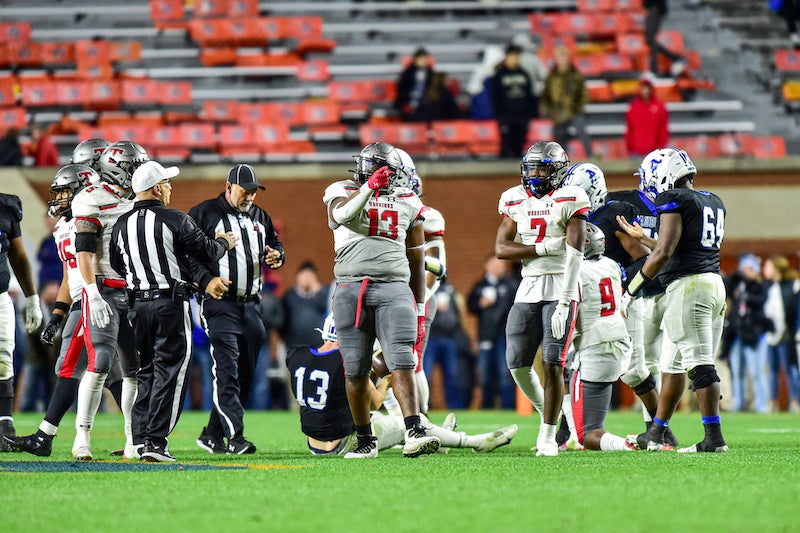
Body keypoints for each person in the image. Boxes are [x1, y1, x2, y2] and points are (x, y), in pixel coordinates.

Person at [110, 161, 238, 462]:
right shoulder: (175, 219)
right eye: (167, 183)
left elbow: (118, 264)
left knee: (146, 373)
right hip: (169, 303)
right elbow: (206, 250)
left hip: (137, 306)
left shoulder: (121, 224)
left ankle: (140, 440)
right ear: (156, 188)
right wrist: (224, 242)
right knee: (173, 370)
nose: (170, 188)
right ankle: (156, 443)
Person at [322, 141, 440, 458]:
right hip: (350, 287)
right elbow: (339, 216)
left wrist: (418, 308)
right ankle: (365, 439)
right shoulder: (340, 190)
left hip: (394, 287)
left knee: (402, 360)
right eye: (374, 168)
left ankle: (414, 429)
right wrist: (367, 190)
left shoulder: (407, 199)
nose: (378, 174)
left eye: (384, 170)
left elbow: (416, 256)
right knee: (355, 369)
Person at [4, 164, 124, 458]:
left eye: (65, 191)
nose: (58, 198)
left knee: (107, 371)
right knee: (82, 369)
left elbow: (92, 267)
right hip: (81, 303)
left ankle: (144, 435)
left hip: (99, 300)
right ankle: (45, 436)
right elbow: (70, 274)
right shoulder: (62, 228)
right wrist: (57, 314)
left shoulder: (94, 218)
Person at [618, 147, 729, 453]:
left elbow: (664, 253)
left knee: (699, 362)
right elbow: (678, 249)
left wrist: (632, 289)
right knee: (673, 363)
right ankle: (657, 431)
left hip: (689, 288)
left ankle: (713, 439)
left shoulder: (673, 198)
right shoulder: (711, 199)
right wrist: (644, 238)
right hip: (712, 284)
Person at [286, 315, 518, 456]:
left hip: (313, 443)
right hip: (345, 442)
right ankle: (474, 442)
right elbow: (376, 402)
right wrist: (386, 381)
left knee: (366, 416)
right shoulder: (348, 359)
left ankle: (442, 440)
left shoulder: (297, 355)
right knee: (414, 423)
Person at [562, 161, 677, 446]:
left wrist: (622, 284)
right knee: (564, 362)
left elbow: (641, 258)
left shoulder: (613, 213)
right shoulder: (573, 218)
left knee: (635, 370)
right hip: (584, 298)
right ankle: (563, 433)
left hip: (619, 301)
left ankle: (659, 430)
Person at [495, 140, 589, 456]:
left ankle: (547, 437)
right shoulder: (514, 198)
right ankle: (551, 414)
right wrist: (541, 248)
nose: (534, 174)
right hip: (529, 285)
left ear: (557, 171)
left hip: (562, 285)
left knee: (552, 362)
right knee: (517, 363)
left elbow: (576, 252)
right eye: (531, 167)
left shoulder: (571, 196)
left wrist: (565, 300)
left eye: (542, 168)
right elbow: (501, 248)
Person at [187, 163, 285, 454]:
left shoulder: (260, 216)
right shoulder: (204, 213)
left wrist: (278, 255)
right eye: (245, 191)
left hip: (253, 305)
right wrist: (206, 280)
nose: (250, 197)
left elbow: (276, 244)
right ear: (228, 187)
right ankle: (236, 437)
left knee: (245, 373)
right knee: (227, 370)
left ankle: (212, 434)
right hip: (220, 305)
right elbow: (187, 256)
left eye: (254, 192)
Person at [70, 140, 148, 460]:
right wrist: (91, 293)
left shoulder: (134, 201)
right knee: (100, 361)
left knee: (134, 368)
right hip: (102, 288)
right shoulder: (91, 199)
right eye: (134, 166)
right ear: (118, 169)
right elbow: (84, 252)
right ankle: (82, 437)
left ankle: (132, 439)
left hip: (131, 290)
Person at [569, 223, 638, 451]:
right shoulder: (611, 265)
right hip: (618, 339)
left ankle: (627, 444)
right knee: (591, 422)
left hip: (593, 344)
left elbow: (570, 309)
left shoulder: (575, 270)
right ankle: (561, 436)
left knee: (586, 435)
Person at [396, 147, 448, 413]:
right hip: (389, 294)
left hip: (417, 296)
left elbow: (437, 266)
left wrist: (417, 300)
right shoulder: (382, 210)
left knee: (411, 361)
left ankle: (422, 417)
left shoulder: (427, 215)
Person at [0, 192, 43, 450]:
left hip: (0, 295)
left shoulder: (6, 207)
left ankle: (5, 426)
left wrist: (32, 298)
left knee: (4, 360)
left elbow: (18, 256)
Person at [467, 255, 519, 409]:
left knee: (505, 373)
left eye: (501, 265)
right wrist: (480, 304)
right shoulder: (479, 286)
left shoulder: (511, 285)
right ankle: (486, 406)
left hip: (505, 336)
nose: (498, 268)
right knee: (484, 374)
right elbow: (470, 307)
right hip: (486, 336)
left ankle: (508, 407)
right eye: (495, 265)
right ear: (487, 266)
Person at [725, 254, 770, 414]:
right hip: (738, 333)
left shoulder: (761, 285)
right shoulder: (737, 284)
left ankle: (762, 404)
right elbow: (727, 289)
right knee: (737, 371)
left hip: (755, 334)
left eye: (749, 268)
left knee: (756, 371)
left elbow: (761, 301)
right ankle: (738, 402)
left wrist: (747, 296)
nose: (746, 271)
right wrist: (736, 277)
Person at [762, 254, 800, 412]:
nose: (765, 270)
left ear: (776, 268)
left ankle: (795, 401)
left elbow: (792, 310)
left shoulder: (792, 285)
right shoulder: (768, 287)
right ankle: (772, 402)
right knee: (772, 371)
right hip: (771, 336)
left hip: (787, 335)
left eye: (768, 266)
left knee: (790, 369)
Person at [541, 45, 592, 159]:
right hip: (558, 112)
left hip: (574, 109)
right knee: (559, 136)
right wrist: (549, 109)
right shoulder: (551, 77)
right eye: (560, 57)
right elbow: (546, 95)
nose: (562, 60)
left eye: (564, 57)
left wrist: (578, 106)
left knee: (582, 132)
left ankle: (591, 156)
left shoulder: (575, 76)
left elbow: (583, 93)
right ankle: (561, 160)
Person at [490, 44, 538, 159]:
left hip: (521, 114)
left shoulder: (524, 73)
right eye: (512, 56)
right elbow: (495, 95)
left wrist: (530, 111)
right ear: (507, 57)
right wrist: (499, 114)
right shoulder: (499, 75)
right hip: (505, 115)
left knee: (519, 143)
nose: (515, 59)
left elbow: (530, 93)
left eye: (517, 56)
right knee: (506, 142)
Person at [394, 47, 457, 123]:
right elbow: (402, 92)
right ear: (415, 60)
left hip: (427, 105)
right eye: (420, 58)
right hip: (410, 105)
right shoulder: (407, 75)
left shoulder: (432, 74)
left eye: (425, 58)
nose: (423, 61)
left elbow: (435, 91)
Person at [279, 261, 328, 352]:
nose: (307, 278)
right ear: (298, 276)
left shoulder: (324, 294)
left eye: (310, 275)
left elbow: (328, 310)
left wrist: (318, 291)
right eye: (304, 275)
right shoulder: (289, 296)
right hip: (294, 348)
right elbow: (282, 322)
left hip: (319, 347)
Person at [624, 77, 669, 158]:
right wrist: (630, 148)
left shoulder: (659, 107)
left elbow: (663, 129)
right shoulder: (633, 107)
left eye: (647, 88)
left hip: (654, 152)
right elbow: (629, 129)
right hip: (636, 151)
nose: (645, 91)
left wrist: (661, 149)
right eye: (643, 88)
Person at [644, 0, 688, 76]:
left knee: (650, 39)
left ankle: (676, 58)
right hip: (654, 9)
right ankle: (654, 69)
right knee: (651, 40)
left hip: (655, 8)